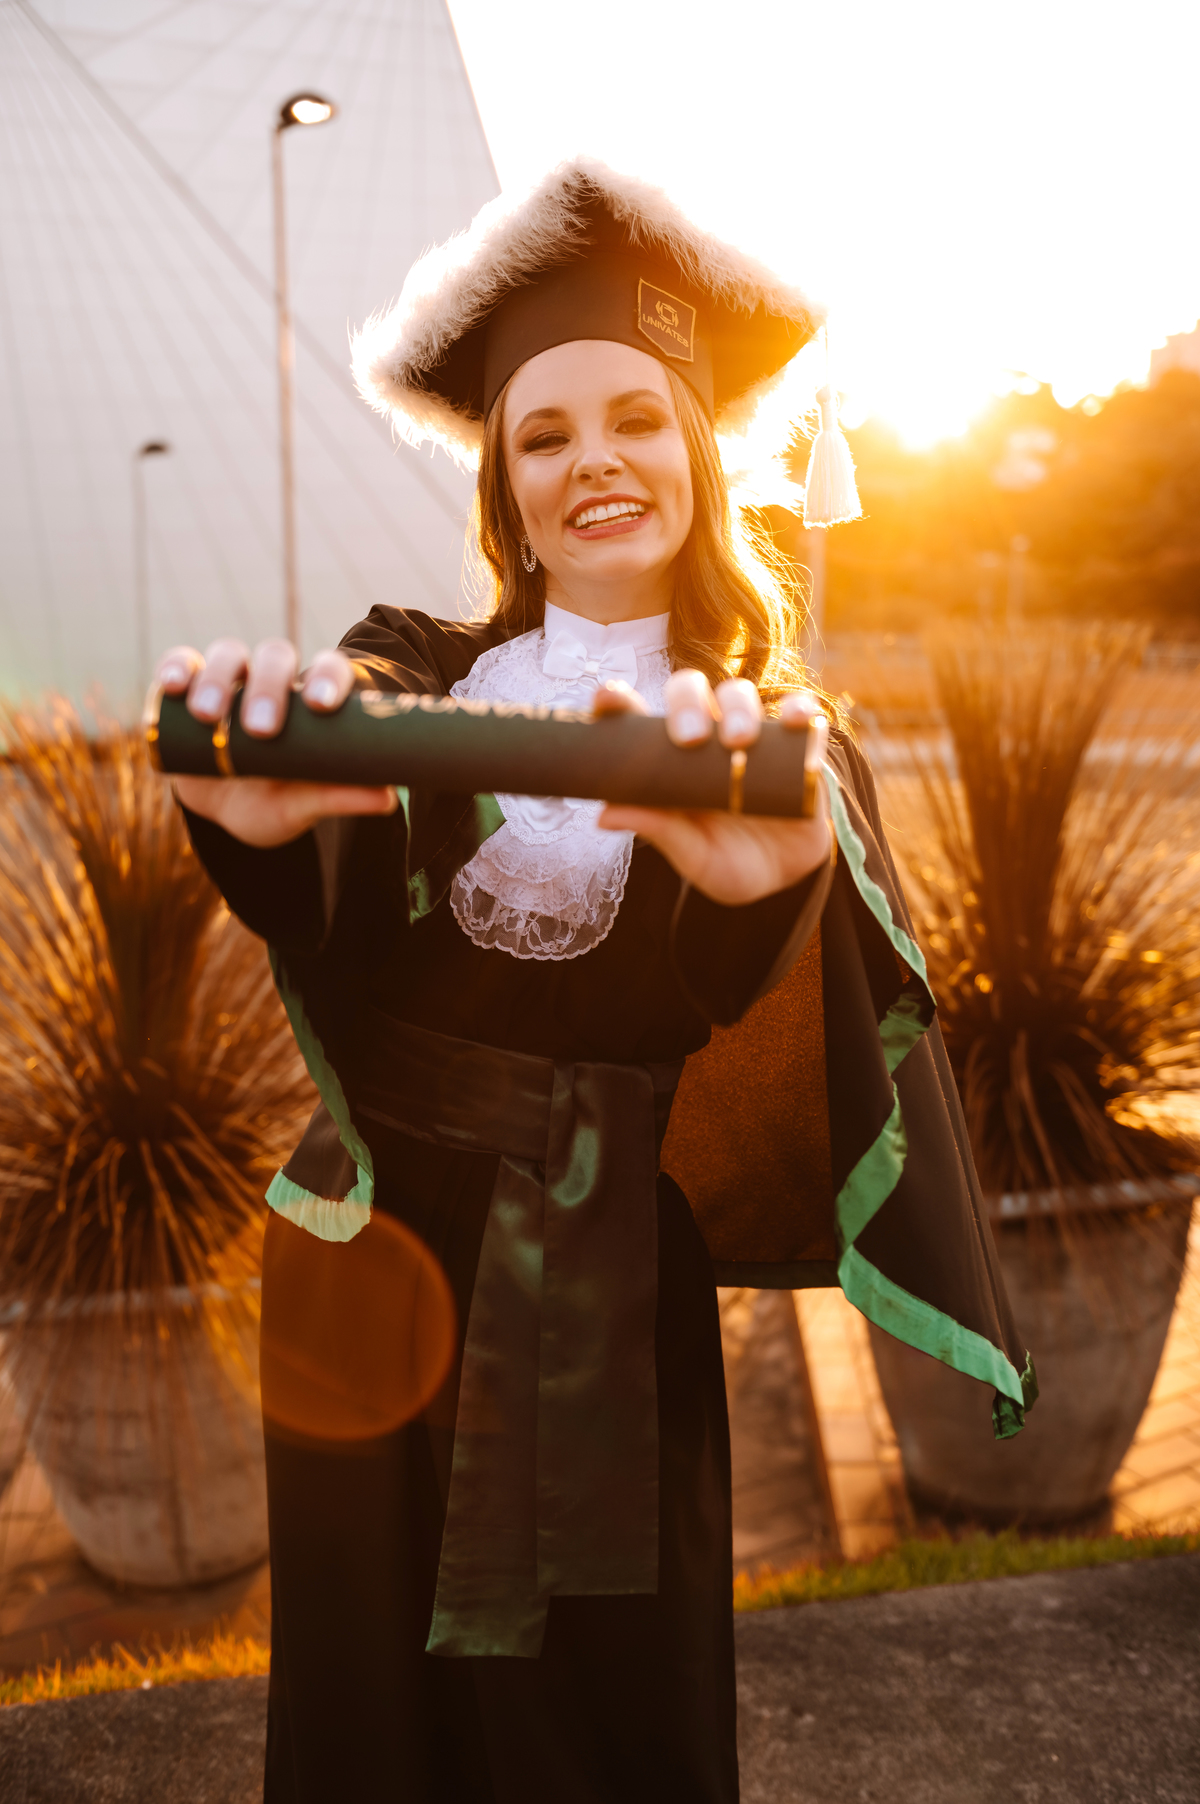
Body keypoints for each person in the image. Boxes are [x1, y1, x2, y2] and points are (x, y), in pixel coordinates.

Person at [154, 161, 1034, 1804]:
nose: (592, 464)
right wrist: (259, 834)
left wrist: (748, 900)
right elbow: (331, 894)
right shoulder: (408, 669)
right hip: (366, 1259)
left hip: (607, 1272)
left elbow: (729, 982)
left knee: (605, 1724)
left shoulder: (768, 736)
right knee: (368, 1718)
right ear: (503, 484)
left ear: (698, 452)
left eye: (633, 419)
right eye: (542, 436)